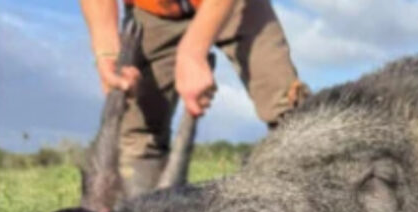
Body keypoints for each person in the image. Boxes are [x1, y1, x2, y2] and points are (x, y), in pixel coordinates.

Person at [80, 0, 308, 196]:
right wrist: (107, 50)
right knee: (138, 132)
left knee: (290, 111)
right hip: (153, 10)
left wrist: (193, 51)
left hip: (237, 6)